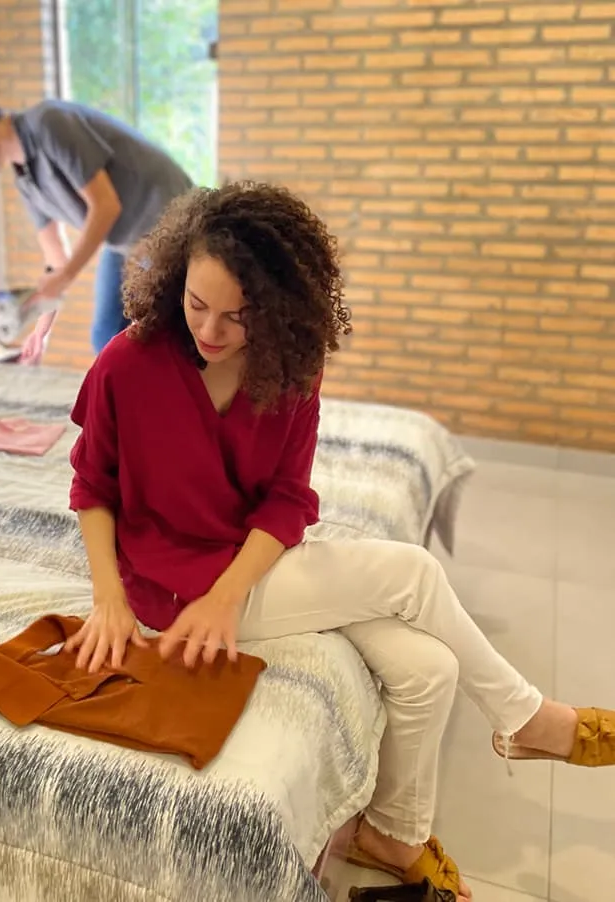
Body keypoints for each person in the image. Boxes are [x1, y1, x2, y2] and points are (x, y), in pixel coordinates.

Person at [62, 181, 615, 901]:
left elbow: (288, 498)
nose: (210, 330)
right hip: (172, 588)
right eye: (197, 305)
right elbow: (91, 485)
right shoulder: (128, 364)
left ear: (281, 307)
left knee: (429, 671)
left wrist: (233, 593)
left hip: (245, 569)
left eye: (237, 315)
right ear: (174, 280)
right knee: (413, 576)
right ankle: (529, 718)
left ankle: (394, 835)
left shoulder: (291, 368)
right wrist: (110, 597)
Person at [0, 92, 194, 363]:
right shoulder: (26, 181)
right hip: (126, 241)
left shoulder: (49, 123)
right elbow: (55, 261)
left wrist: (67, 275)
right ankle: (131, 402)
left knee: (165, 337)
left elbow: (105, 206)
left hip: (170, 223)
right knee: (106, 336)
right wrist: (40, 333)